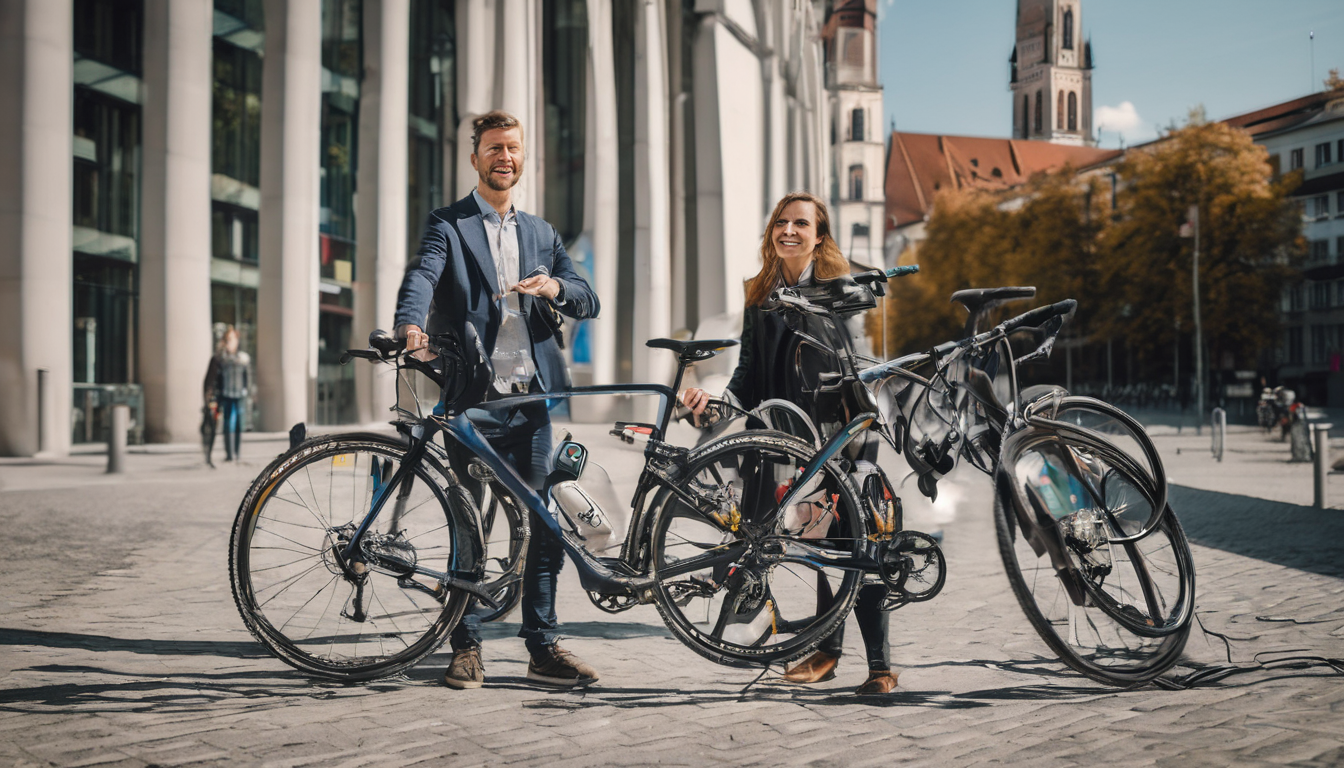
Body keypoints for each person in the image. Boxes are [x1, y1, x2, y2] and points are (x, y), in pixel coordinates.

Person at [394, 110, 602, 690]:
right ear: (475, 158)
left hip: (529, 403)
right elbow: (423, 276)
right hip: (472, 402)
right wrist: (410, 324)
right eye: (493, 148)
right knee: (469, 527)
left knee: (545, 522)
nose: (503, 157)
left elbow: (587, 298)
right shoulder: (449, 224)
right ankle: (466, 646)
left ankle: (542, 646)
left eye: (512, 148)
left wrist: (554, 286)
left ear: (522, 158)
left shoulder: (542, 233)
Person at [679, 191, 899, 695]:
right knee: (815, 548)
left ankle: (880, 668)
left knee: (853, 547)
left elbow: (858, 370)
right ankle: (827, 651)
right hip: (780, 439)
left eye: (801, 223)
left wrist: (859, 445)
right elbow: (748, 372)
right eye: (781, 222)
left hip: (838, 434)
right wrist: (714, 406)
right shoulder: (759, 292)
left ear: (819, 237)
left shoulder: (840, 290)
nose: (789, 231)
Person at [205, 326, 250, 463]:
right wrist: (213, 396)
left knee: (239, 424)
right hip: (226, 395)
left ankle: (237, 453)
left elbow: (246, 377)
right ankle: (230, 454)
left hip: (239, 395)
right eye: (227, 339)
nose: (230, 342)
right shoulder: (221, 359)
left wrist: (246, 391)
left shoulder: (243, 358)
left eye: (232, 339)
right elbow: (214, 378)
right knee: (228, 423)